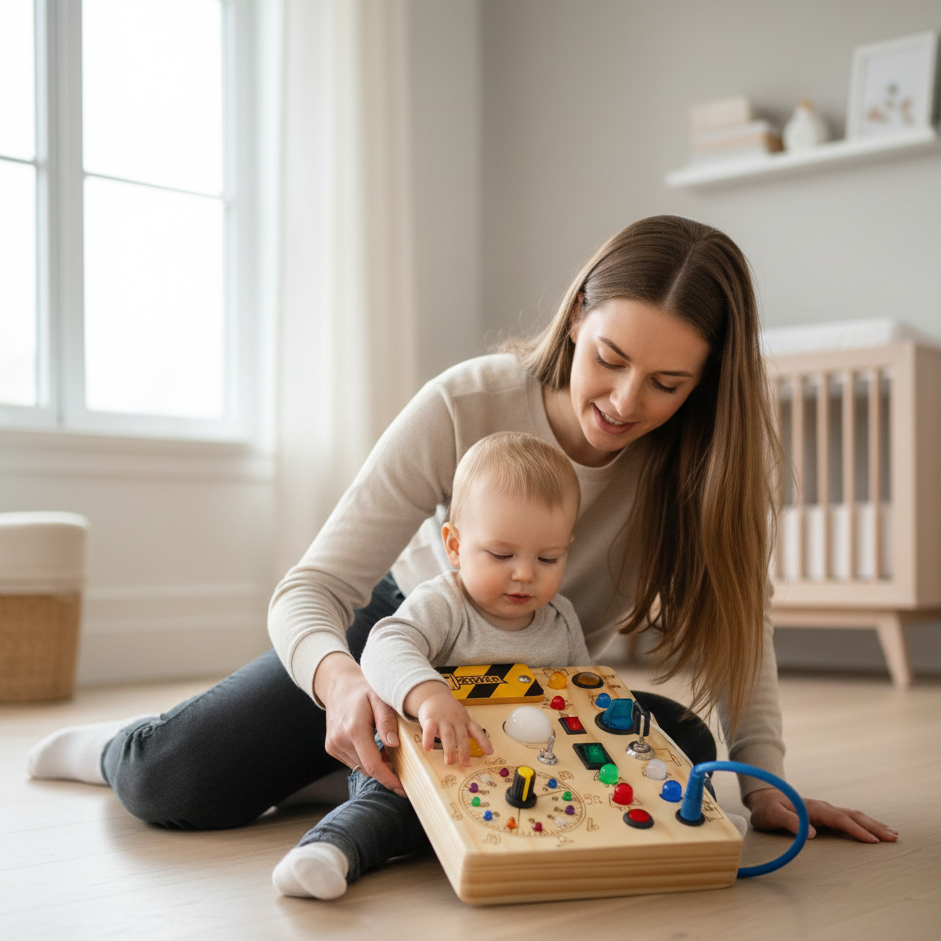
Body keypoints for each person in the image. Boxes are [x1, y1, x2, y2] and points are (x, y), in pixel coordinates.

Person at [28, 215, 896, 847]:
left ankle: (386, 779)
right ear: (579, 312)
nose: (625, 403)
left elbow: (744, 626)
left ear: (704, 384)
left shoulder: (702, 467)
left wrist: (762, 772)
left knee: (695, 753)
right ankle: (129, 746)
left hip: (538, 683)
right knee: (171, 783)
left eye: (667, 383)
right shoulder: (468, 400)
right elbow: (311, 590)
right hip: (404, 634)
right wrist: (338, 685)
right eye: (609, 359)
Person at [272, 431, 592, 898]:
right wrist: (429, 695)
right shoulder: (444, 603)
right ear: (455, 546)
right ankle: (329, 852)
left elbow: (587, 691)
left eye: (548, 557)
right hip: (424, 760)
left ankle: (693, 815)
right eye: (501, 555)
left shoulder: (561, 619)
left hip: (522, 767)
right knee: (393, 809)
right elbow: (384, 645)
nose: (525, 573)